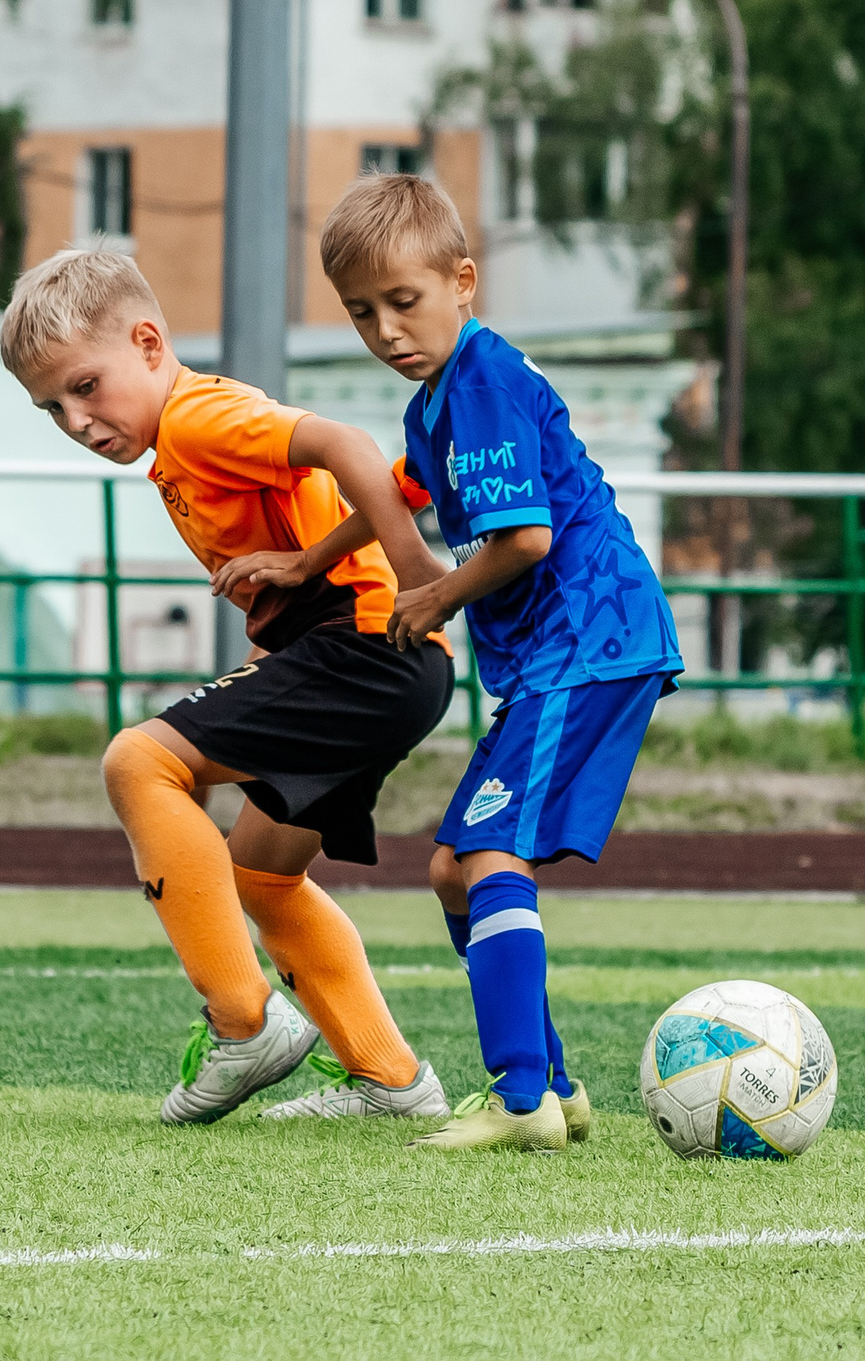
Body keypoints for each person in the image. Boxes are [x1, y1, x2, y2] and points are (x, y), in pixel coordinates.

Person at [0, 247, 459, 1126]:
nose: (75, 420)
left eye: (87, 387)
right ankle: (394, 1083)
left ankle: (242, 1027)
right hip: (386, 663)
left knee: (140, 763)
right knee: (264, 876)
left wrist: (414, 571)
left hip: (361, 648)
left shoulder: (199, 418)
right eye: (52, 406)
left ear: (147, 341)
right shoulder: (179, 441)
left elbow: (346, 444)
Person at [321, 172, 681, 1153]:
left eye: (405, 300)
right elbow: (396, 498)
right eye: (362, 312)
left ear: (462, 281)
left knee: (483, 854)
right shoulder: (438, 400)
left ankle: (520, 1099)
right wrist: (307, 559)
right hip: (562, 657)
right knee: (450, 867)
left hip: (586, 645)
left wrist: (432, 594)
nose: (387, 328)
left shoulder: (478, 382)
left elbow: (521, 537)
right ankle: (554, 1086)